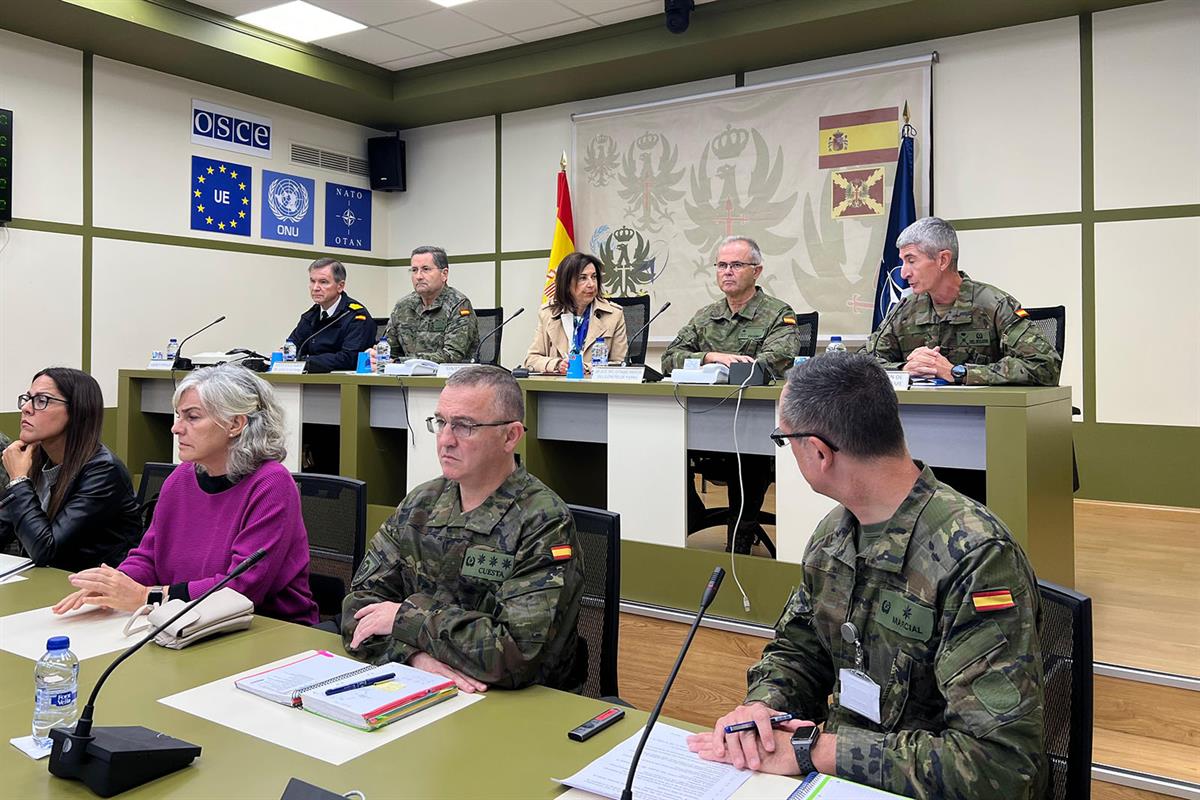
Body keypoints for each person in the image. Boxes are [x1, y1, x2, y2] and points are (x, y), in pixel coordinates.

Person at [687, 353, 1046, 799]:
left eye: (785, 439)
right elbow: (801, 650)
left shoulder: (976, 557)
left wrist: (812, 750)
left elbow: (998, 766)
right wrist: (763, 708)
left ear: (818, 452)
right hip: (840, 778)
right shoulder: (834, 535)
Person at [342, 366, 585, 693]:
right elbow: (357, 609)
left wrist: (406, 617)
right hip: (419, 689)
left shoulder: (543, 521)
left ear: (510, 436)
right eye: (441, 422)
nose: (445, 440)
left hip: (514, 709)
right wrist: (414, 658)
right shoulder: (421, 503)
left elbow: (515, 655)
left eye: (464, 426)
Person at [53, 364, 319, 625]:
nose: (176, 428)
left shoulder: (271, 484)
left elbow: (240, 588)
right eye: (178, 416)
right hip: (183, 619)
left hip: (268, 629)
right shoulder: (181, 478)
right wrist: (113, 586)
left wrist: (148, 596)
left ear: (235, 424)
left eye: (192, 417)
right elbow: (148, 557)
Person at [662, 235, 800, 553]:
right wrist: (710, 357)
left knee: (747, 458)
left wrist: (733, 367)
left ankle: (740, 539)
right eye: (722, 265)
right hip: (705, 417)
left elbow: (773, 360)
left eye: (736, 264)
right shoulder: (706, 315)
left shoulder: (778, 314)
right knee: (665, 440)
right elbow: (670, 357)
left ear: (757, 270)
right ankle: (689, 519)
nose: (727, 271)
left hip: (753, 420)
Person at [864, 216, 1061, 385]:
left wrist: (959, 372)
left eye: (911, 260)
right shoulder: (906, 309)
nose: (904, 273)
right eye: (903, 262)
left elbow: (1045, 364)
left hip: (986, 419)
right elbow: (864, 362)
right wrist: (905, 368)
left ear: (943, 260)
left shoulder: (994, 305)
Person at [0, 369, 141, 571]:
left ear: (77, 411)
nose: (27, 408)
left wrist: (18, 481)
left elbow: (46, 551)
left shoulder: (103, 471)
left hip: (92, 591)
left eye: (42, 400)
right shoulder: (36, 458)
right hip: (48, 584)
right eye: (28, 399)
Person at [523, 252, 629, 374]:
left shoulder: (614, 315)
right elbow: (531, 360)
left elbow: (620, 364)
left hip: (596, 388)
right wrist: (557, 364)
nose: (591, 284)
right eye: (583, 278)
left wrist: (587, 368)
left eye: (594, 277)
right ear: (566, 283)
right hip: (556, 387)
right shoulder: (548, 314)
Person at [380, 246, 480, 363]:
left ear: (444, 274)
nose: (418, 276)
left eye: (426, 269)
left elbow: (453, 356)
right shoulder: (403, 306)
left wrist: (402, 362)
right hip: (406, 377)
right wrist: (378, 354)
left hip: (449, 379)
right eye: (414, 270)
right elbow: (390, 349)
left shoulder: (459, 304)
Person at [285, 257, 377, 373]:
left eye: (323, 282)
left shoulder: (356, 316)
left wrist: (305, 362)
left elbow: (349, 359)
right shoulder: (311, 315)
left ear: (340, 286)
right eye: (312, 281)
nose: (315, 288)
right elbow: (293, 346)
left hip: (344, 383)